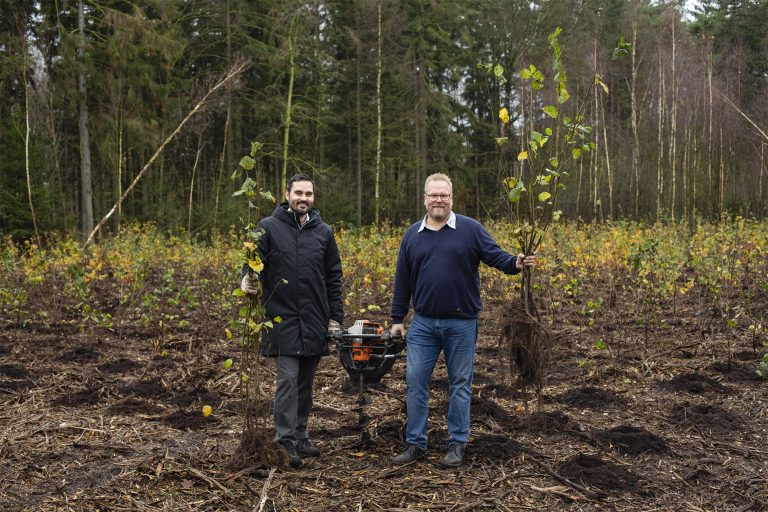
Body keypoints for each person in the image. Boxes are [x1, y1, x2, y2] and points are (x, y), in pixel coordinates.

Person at [390, 173, 535, 468]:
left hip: (461, 323)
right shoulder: (412, 234)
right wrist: (397, 318)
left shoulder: (470, 229)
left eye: (444, 195)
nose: (439, 200)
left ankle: (457, 444)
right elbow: (402, 279)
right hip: (423, 325)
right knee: (415, 382)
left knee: (460, 384)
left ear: (451, 198)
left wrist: (516, 263)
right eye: (434, 195)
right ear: (425, 199)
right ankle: (415, 443)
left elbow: (496, 256)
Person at [241, 173, 344, 468]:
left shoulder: (324, 232)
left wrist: (335, 318)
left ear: (314, 197)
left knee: (305, 383)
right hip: (281, 318)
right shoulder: (268, 227)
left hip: (314, 320)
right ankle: (284, 441)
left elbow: (333, 277)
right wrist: (248, 278)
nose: (304, 198)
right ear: (286, 194)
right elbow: (253, 261)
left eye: (308, 194)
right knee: (287, 380)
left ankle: (300, 435)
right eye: (298, 192)